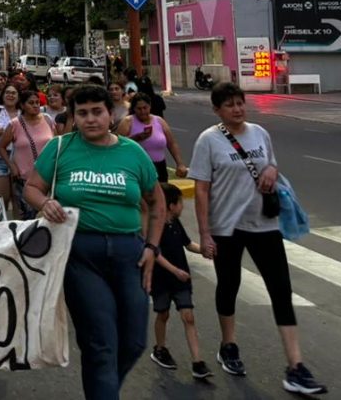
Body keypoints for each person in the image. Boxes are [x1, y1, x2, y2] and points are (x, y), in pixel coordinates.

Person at [24, 84, 164, 400]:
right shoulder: (60, 148)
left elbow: (156, 202)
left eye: (96, 112)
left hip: (130, 254)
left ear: (110, 113)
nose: (90, 119)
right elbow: (31, 188)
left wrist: (153, 247)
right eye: (82, 113)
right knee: (100, 343)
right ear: (73, 117)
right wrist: (44, 202)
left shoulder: (132, 152)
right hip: (79, 255)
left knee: (134, 342)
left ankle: (104, 389)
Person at [189, 82, 327, 395]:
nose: (237, 109)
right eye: (229, 105)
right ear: (217, 110)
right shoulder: (207, 141)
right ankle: (229, 346)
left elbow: (272, 164)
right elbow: (201, 189)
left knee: (281, 290)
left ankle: (295, 366)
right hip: (226, 227)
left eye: (240, 102)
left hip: (264, 224)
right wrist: (205, 233)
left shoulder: (259, 133)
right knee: (229, 286)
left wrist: (271, 172)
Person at [149, 183, 210, 380]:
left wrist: (204, 250)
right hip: (162, 279)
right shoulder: (154, 225)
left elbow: (188, 243)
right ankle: (160, 349)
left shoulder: (175, 223)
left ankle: (197, 362)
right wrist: (175, 270)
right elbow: (155, 253)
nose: (182, 206)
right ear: (171, 205)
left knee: (188, 316)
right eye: (181, 203)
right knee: (163, 314)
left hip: (181, 279)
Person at [0, 90, 55, 220]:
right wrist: (12, 166)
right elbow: (1, 147)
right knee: (27, 217)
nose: (35, 105)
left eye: (37, 102)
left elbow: (56, 144)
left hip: (47, 177)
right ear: (22, 105)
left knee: (47, 215)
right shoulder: (15, 124)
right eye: (31, 103)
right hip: (24, 179)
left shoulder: (48, 120)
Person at [117, 93, 187, 183]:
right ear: (134, 109)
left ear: (150, 106)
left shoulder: (159, 121)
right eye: (139, 109)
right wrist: (136, 138)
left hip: (160, 167)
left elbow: (172, 143)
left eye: (145, 108)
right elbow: (117, 144)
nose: (142, 112)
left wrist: (180, 164)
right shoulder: (128, 122)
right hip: (138, 169)